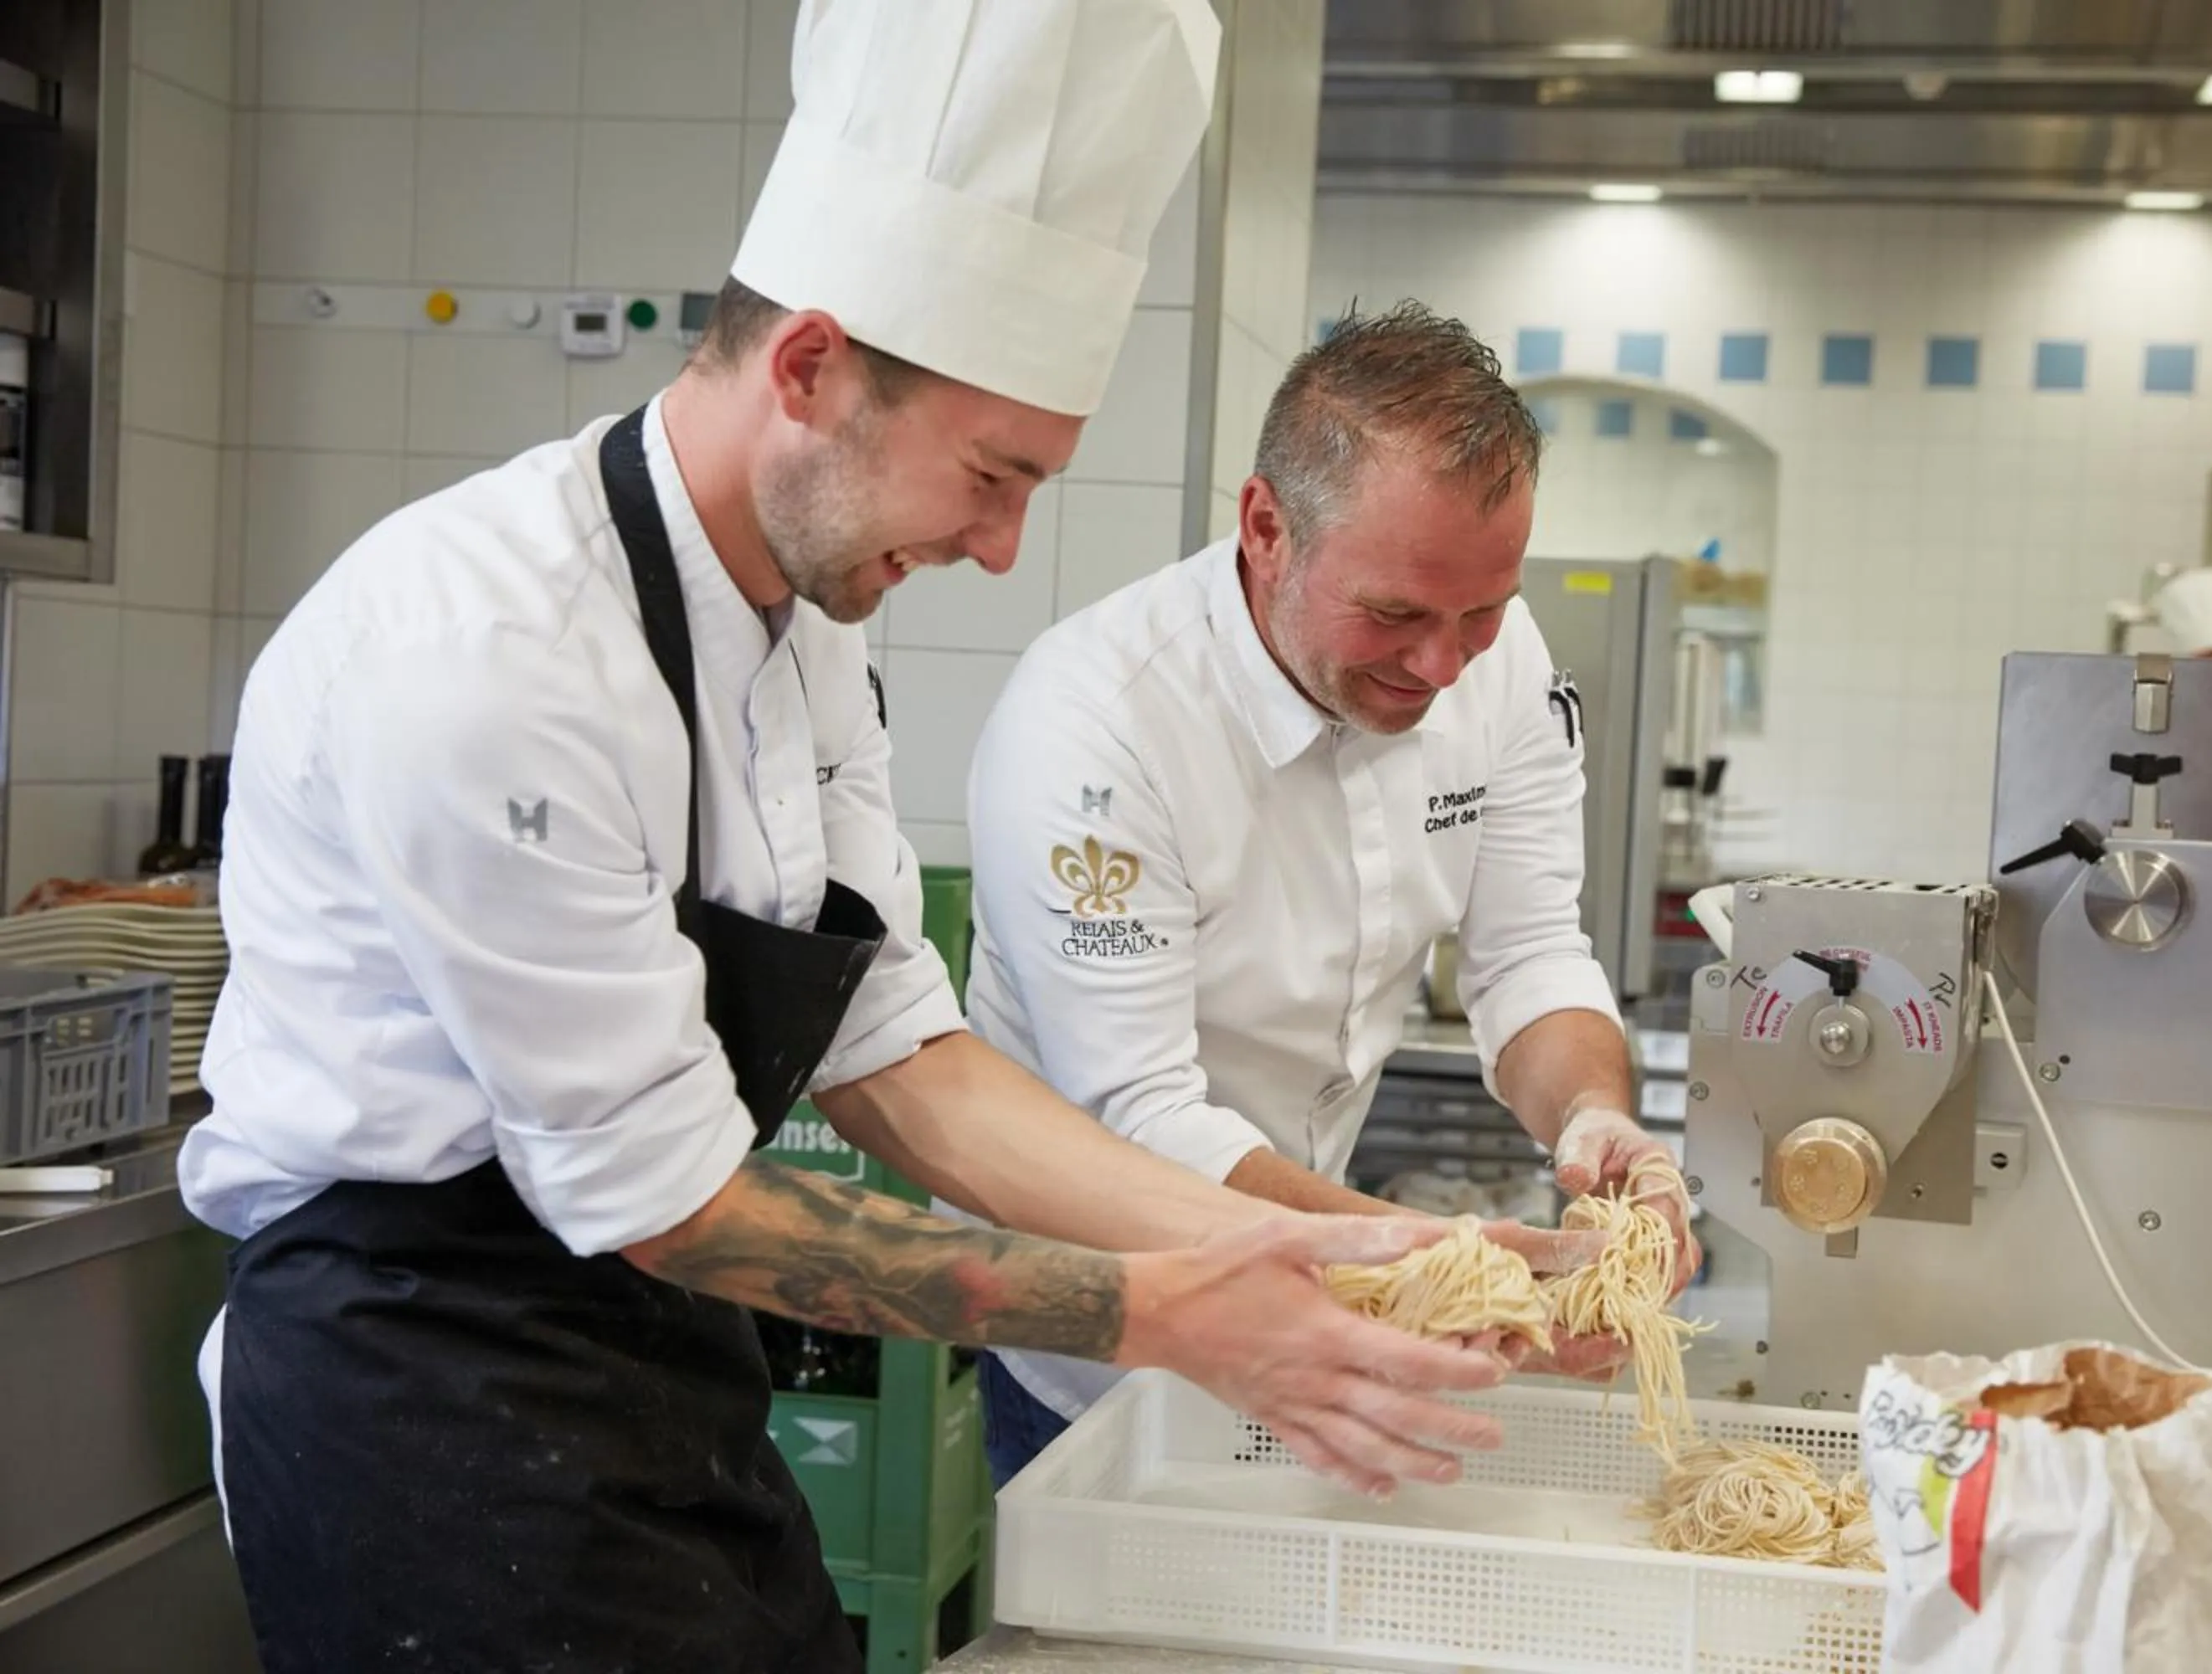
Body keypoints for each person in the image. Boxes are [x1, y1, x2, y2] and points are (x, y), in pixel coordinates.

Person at [179, 11, 1545, 1671]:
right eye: (989, 474)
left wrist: (1317, 1248)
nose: (999, 543)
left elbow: (904, 1056)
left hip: (658, 1362)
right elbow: (670, 1199)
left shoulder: (802, 627)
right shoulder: (491, 659)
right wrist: (1157, 1311)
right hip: (422, 1385)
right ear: (813, 368)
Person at [960, 302, 1700, 1486]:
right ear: (1267, 527)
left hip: (1345, 1282)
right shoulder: (1096, 727)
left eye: (1484, 610)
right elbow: (1142, 1117)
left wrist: (1592, 1121)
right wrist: (1435, 1261)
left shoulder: (1495, 662)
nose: (1444, 665)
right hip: (1113, 1342)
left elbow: (1528, 957)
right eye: (1396, 614)